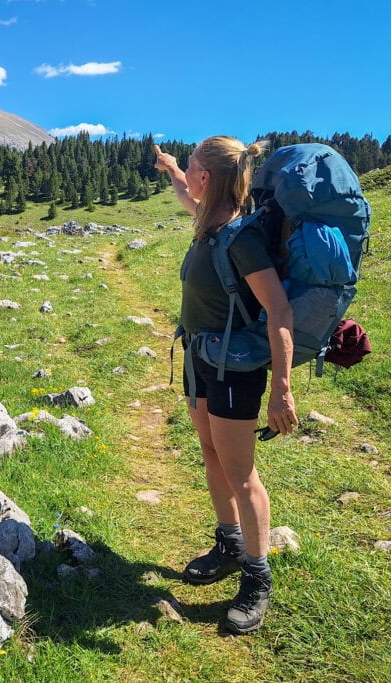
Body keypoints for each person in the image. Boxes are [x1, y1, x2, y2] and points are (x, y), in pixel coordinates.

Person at [154, 137, 298, 635]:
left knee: (241, 471)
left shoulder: (240, 239)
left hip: (234, 368)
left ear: (209, 177)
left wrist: (282, 387)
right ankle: (230, 543)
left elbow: (279, 309)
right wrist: (172, 167)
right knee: (212, 454)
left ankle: (257, 577)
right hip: (200, 358)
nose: (188, 175)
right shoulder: (208, 221)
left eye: (192, 165)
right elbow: (184, 193)